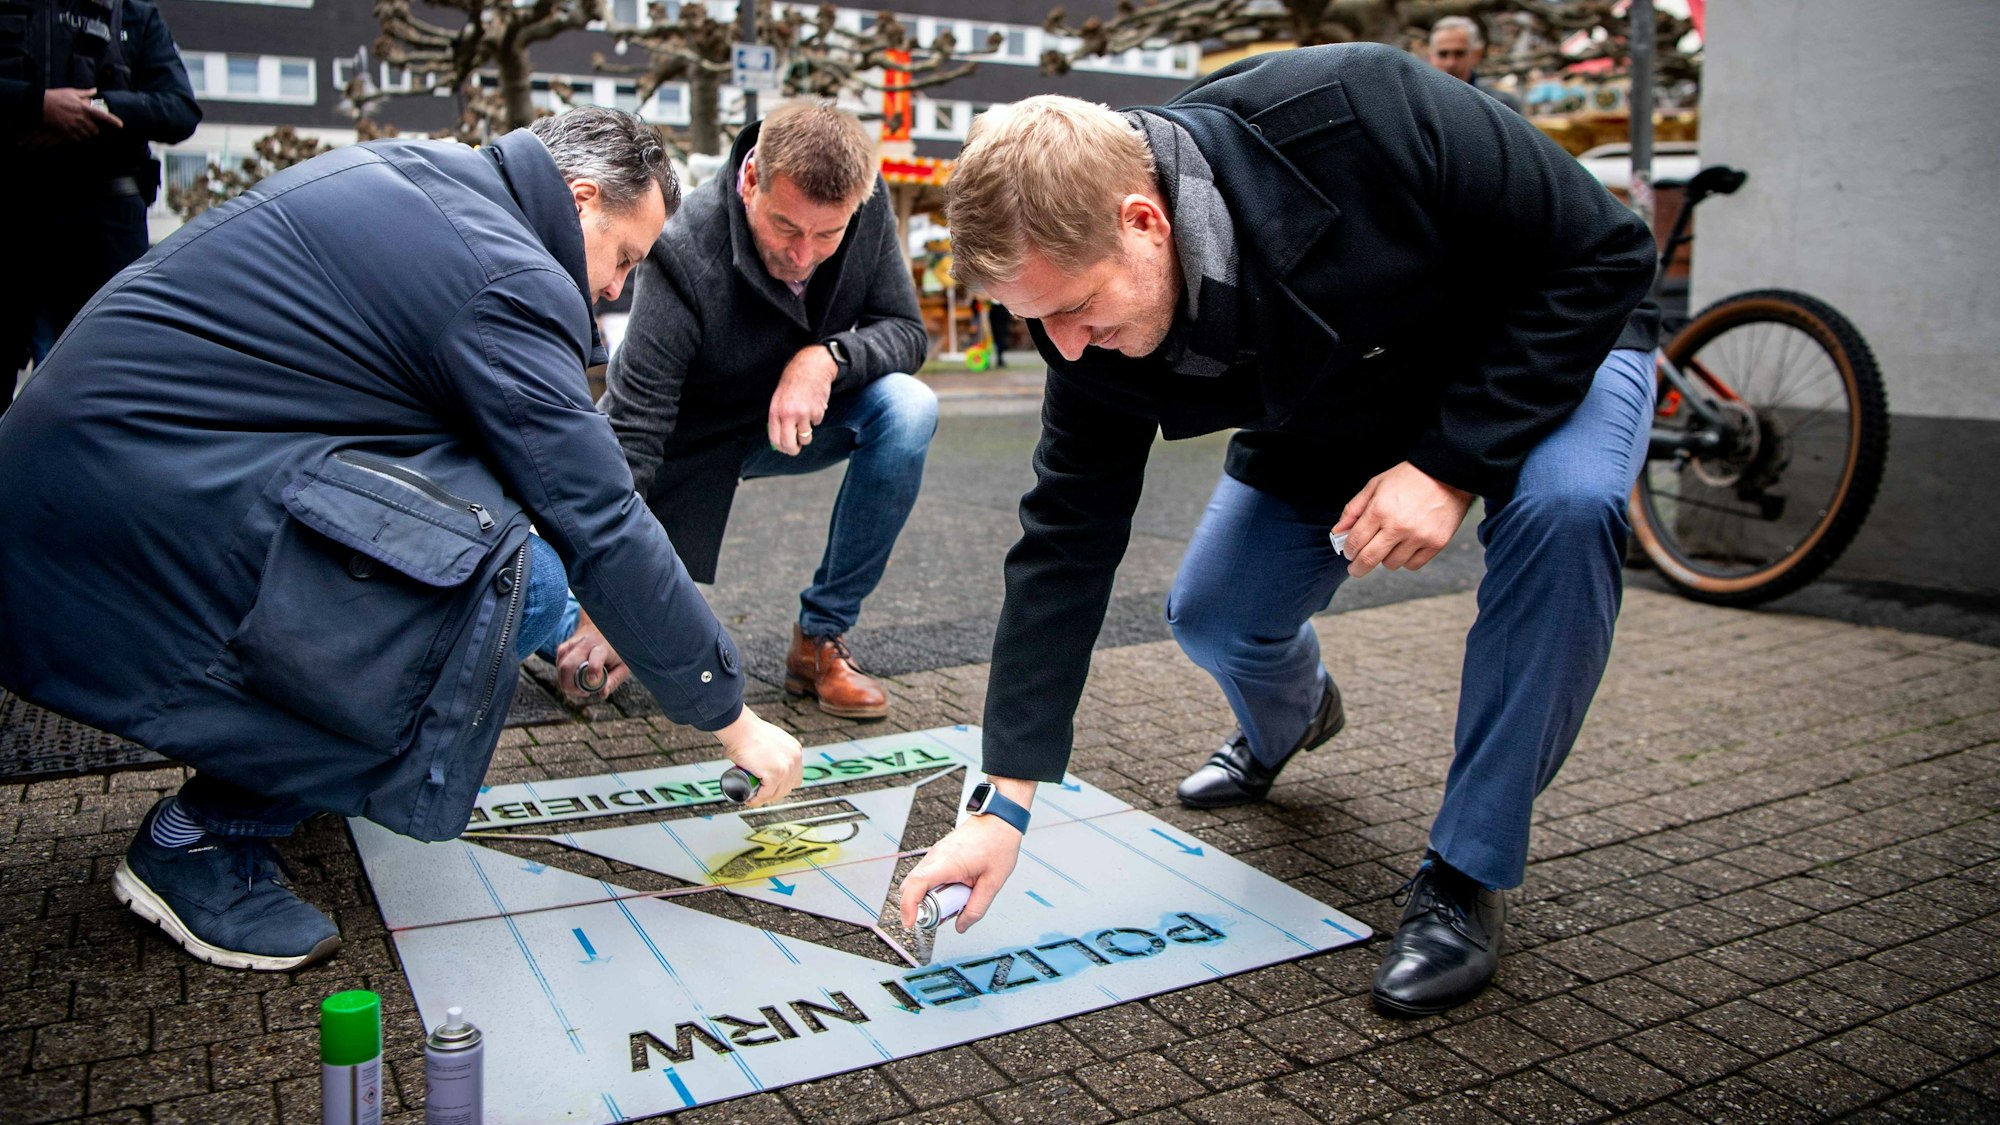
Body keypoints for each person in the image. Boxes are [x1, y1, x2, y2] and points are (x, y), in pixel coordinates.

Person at [899, 46, 1658, 1017]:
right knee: (1211, 613)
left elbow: (1606, 252)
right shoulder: (1080, 325)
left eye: (1078, 308)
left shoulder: (1360, 109)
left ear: (1143, 220)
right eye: (1032, 324)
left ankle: (1465, 873)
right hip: (1337, 402)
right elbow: (1063, 540)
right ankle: (1292, 719)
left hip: (1539, 346)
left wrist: (1447, 466)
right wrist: (1000, 803)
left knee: (1566, 513)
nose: (1066, 349)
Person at [0, 107, 805, 972]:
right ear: (579, 201)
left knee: (498, 549)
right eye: (623, 259)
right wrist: (731, 715)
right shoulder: (504, 273)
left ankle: (290, 759)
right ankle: (201, 838)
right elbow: (598, 514)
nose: (615, 291)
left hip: (90, 479)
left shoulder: (423, 175)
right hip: (127, 508)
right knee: (503, 583)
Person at [570, 100, 935, 720]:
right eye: (787, 228)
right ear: (749, 181)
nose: (804, 255)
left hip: (792, 423)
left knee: (909, 408)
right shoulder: (683, 246)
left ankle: (819, 640)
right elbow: (634, 430)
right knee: (587, 631)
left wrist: (825, 359)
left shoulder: (865, 212)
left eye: (827, 234)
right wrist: (607, 595)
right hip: (690, 434)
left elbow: (906, 330)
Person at [1, 0, 200, 410]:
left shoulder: (132, 15)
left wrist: (94, 110)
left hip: (102, 233)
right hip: (12, 222)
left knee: (105, 389)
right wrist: (36, 106)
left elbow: (180, 110)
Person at [1427, 16, 1524, 115]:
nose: (1451, 63)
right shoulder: (1419, 105)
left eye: (1459, 53)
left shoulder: (1500, 106)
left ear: (1476, 55)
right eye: (1443, 54)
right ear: (1431, 56)